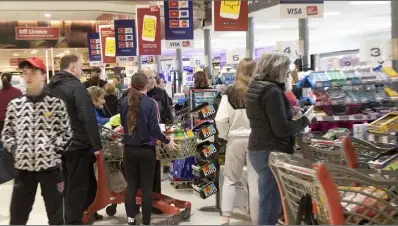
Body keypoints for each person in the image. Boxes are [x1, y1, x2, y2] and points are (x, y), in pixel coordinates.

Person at [244, 53, 313, 225]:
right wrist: (305, 119)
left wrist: (289, 113)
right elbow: (281, 129)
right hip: (271, 151)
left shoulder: (255, 87)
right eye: (286, 71)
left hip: (258, 149)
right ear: (277, 69)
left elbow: (265, 117)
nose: (287, 74)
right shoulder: (272, 91)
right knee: (270, 206)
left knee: (267, 199)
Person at [1, 57, 72, 225]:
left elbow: (66, 132)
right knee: (18, 216)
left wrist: (54, 149)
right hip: (23, 170)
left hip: (51, 169)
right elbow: (7, 134)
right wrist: (16, 148)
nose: (28, 77)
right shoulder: (15, 105)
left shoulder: (56, 104)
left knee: (56, 216)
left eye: (33, 73)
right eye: (25, 73)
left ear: (43, 76)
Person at [47, 54, 102, 224]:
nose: (81, 71)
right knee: (77, 187)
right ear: (72, 68)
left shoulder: (48, 88)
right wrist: (97, 145)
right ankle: (73, 221)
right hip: (77, 145)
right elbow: (87, 117)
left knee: (64, 185)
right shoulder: (76, 87)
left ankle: (70, 218)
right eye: (79, 68)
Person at [119, 72, 176, 225]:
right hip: (146, 151)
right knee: (146, 187)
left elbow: (123, 124)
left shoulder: (124, 102)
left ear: (131, 85)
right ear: (145, 86)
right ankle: (145, 221)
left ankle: (131, 219)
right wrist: (166, 140)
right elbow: (154, 129)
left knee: (131, 186)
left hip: (129, 150)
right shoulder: (151, 103)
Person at [215, 58, 259, 225]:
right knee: (255, 180)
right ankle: (256, 220)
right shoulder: (259, 91)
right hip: (256, 139)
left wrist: (225, 135)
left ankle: (225, 217)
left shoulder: (230, 91)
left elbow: (221, 118)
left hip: (234, 139)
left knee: (230, 179)